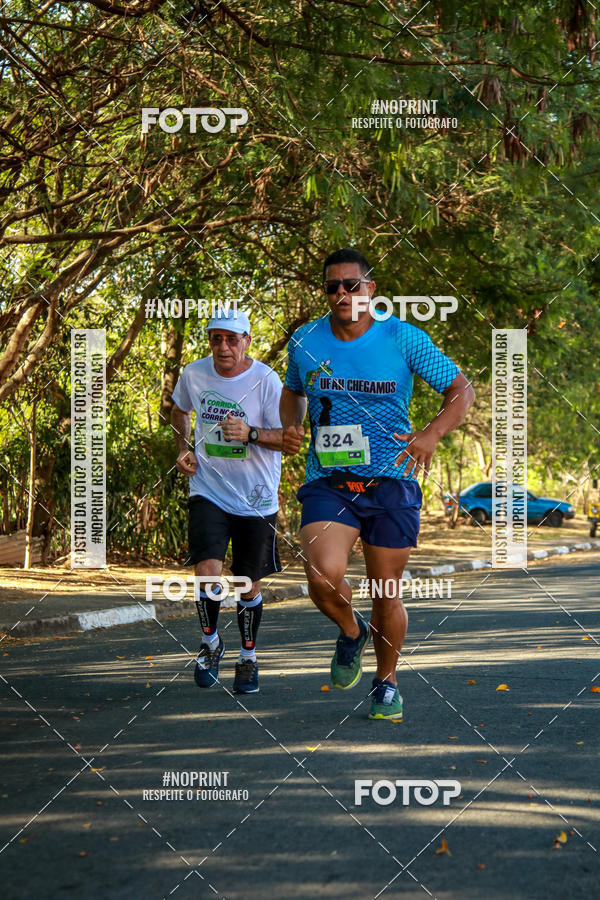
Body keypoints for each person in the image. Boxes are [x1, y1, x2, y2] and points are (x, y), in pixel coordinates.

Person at [280, 248, 474, 721]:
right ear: (325, 292)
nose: (343, 294)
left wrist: (431, 434)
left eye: (352, 285)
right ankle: (351, 632)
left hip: (391, 479)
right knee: (322, 574)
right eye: (333, 287)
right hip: (330, 479)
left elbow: (461, 389)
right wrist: (291, 425)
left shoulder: (403, 338)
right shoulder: (306, 341)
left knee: (386, 590)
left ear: (371, 290)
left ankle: (386, 682)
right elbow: (293, 392)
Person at [171, 307, 283, 694]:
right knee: (206, 569)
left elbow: (289, 438)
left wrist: (251, 434)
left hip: (256, 496)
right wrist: (184, 448)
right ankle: (210, 644)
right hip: (208, 489)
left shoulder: (267, 380)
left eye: (231, 339)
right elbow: (178, 409)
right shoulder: (193, 373)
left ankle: (248, 658)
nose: (223, 346)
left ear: (247, 341)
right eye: (216, 338)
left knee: (246, 583)